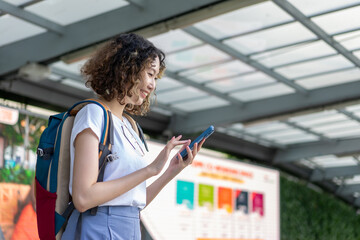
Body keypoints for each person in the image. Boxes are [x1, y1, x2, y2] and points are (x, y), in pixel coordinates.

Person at [61, 33, 205, 240]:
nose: (153, 84)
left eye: (156, 77)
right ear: (127, 68)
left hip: (129, 227)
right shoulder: (93, 114)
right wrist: (149, 170)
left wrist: (170, 171)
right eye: (150, 73)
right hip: (99, 227)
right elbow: (83, 198)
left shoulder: (130, 127)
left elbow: (135, 200)